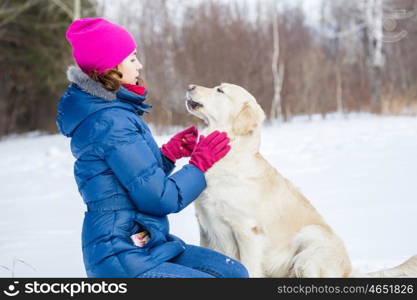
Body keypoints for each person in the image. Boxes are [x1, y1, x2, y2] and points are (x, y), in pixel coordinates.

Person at [56, 18, 249, 278]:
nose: (140, 65)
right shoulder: (110, 122)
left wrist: (168, 154)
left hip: (147, 244)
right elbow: (160, 198)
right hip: (121, 258)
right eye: (132, 58)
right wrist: (199, 165)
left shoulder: (116, 112)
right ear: (111, 66)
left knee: (235, 274)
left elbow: (134, 179)